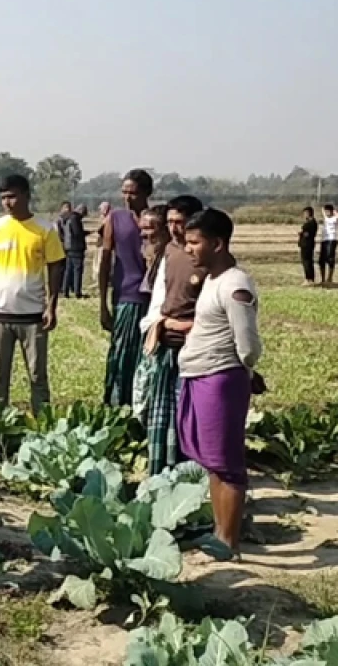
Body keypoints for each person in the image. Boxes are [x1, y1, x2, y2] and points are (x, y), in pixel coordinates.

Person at [177, 208, 262, 559]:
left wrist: (245, 370)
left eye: (194, 242)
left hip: (220, 379)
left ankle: (229, 543)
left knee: (226, 463)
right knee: (213, 461)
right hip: (201, 377)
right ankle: (218, 534)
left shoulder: (235, 285)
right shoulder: (213, 279)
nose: (189, 249)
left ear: (217, 243)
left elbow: (248, 344)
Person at [0, 175, 64, 414]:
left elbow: (55, 267)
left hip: (33, 316)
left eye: (13, 196)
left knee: (38, 378)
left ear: (26, 195)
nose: (8, 202)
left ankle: (43, 427)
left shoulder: (45, 229)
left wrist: (52, 306)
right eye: (4, 198)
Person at [136, 196, 207, 477]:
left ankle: (190, 476)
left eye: (180, 222)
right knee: (162, 418)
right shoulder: (169, 252)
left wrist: (182, 326)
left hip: (194, 349)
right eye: (170, 222)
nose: (174, 228)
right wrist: (157, 326)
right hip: (166, 345)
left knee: (189, 417)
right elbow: (159, 297)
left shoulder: (206, 258)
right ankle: (162, 475)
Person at [99, 170, 153, 407]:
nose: (128, 198)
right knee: (122, 356)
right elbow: (105, 260)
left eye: (133, 193)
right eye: (124, 192)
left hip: (154, 297)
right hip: (126, 296)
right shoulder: (115, 218)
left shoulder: (156, 219)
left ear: (146, 193)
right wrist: (102, 304)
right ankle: (118, 405)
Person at [57, 201, 88, 298]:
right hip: (76, 248)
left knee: (68, 270)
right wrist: (85, 233)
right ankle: (77, 292)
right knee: (77, 270)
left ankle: (65, 291)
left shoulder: (68, 218)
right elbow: (77, 233)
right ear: (81, 212)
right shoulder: (75, 218)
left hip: (69, 248)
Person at [319, 203, 338, 285]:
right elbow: (322, 211)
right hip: (324, 240)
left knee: (330, 258)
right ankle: (323, 279)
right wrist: (324, 209)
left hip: (332, 239)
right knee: (322, 260)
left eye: (328, 211)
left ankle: (330, 278)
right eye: (326, 211)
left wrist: (334, 211)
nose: (326, 212)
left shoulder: (335, 218)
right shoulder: (325, 218)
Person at [91, 200, 111, 286]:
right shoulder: (102, 217)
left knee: (101, 261)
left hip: (104, 244)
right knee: (97, 261)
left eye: (101, 209)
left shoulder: (109, 218)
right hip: (99, 243)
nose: (100, 211)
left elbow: (102, 230)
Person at [299, 206, 318, 286]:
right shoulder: (310, 222)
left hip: (307, 245)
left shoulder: (311, 222)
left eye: (305, 213)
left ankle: (309, 279)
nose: (304, 215)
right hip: (306, 244)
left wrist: (302, 233)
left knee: (307, 262)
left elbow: (307, 234)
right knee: (308, 262)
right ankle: (310, 279)